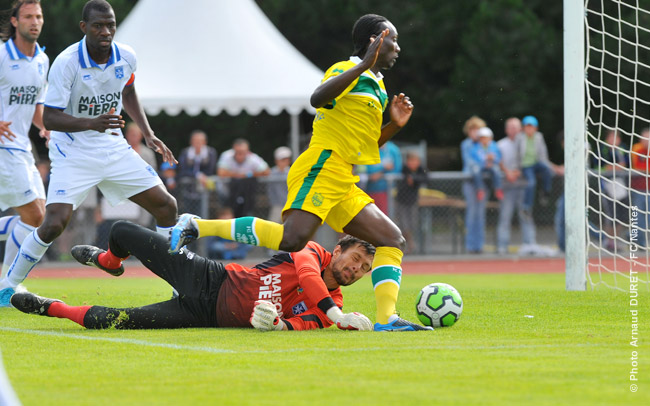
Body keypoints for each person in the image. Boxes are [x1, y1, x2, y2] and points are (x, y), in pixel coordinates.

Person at [170, 14, 427, 331]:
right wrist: (363, 64)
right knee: (292, 240)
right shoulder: (346, 69)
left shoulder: (378, 88)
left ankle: (387, 320)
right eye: (394, 40)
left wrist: (394, 126)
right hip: (321, 165)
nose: (397, 48)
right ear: (377, 39)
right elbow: (317, 98)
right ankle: (196, 225)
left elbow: (366, 144)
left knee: (392, 239)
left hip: (343, 176)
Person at [0, 0, 178, 306]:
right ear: (84, 28)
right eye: (98, 26)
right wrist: (90, 123)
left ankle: (180, 288)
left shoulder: (127, 56)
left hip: (113, 146)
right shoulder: (66, 61)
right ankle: (8, 286)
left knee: (167, 207)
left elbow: (128, 89)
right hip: (73, 151)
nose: (105, 31)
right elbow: (52, 117)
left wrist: (148, 134)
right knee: (52, 221)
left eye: (110, 25)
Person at [10, 220, 382, 332]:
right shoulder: (313, 251)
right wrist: (337, 315)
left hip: (205, 316)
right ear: (338, 249)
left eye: (365, 269)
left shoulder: (334, 308)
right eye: (356, 258)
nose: (356, 269)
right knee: (124, 231)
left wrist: (276, 325)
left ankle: (50, 307)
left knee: (111, 321)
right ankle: (108, 261)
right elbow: (307, 276)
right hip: (210, 278)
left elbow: (302, 325)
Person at [0, 0, 49, 283]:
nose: (35, 21)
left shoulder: (42, 60)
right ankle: (8, 286)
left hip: (22, 147)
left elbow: (35, 108)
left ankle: (7, 286)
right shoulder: (3, 56)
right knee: (35, 215)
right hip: (4, 148)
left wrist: (50, 128)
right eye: (28, 16)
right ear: (15, 21)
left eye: (39, 16)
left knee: (38, 218)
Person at [496, 117, 536, 254]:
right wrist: (508, 172)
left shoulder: (527, 142)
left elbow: (532, 160)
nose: (514, 130)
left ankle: (530, 245)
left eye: (516, 127)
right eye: (511, 127)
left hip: (523, 185)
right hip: (507, 185)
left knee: (526, 215)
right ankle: (502, 246)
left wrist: (519, 171)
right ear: (506, 130)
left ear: (521, 129)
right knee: (505, 216)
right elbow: (497, 161)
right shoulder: (500, 145)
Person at [592, 129, 629, 251]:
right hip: (607, 185)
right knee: (611, 215)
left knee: (623, 215)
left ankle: (614, 239)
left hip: (621, 185)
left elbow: (626, 165)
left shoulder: (622, 149)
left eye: (616, 138)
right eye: (611, 138)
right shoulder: (602, 149)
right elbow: (600, 167)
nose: (613, 141)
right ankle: (608, 241)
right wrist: (614, 167)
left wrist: (616, 166)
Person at [217, 138, 270, 217]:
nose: (240, 155)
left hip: (246, 194)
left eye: (242, 152)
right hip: (227, 193)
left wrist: (248, 175)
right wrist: (239, 175)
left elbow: (266, 171)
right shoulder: (226, 155)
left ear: (247, 151)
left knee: (246, 214)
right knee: (227, 216)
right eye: (237, 152)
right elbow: (220, 172)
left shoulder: (253, 158)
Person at [516, 115, 555, 212]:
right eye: (527, 127)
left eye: (531, 127)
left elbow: (543, 154)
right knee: (531, 183)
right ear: (523, 128)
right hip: (526, 166)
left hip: (536, 163)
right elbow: (516, 154)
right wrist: (516, 168)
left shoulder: (538, 137)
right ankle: (527, 206)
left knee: (546, 169)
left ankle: (546, 192)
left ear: (535, 128)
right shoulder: (520, 138)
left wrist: (550, 165)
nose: (529, 129)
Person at [460, 115, 487, 253]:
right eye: (473, 130)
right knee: (471, 213)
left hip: (481, 182)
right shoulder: (466, 144)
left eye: (478, 130)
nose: (475, 133)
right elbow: (471, 163)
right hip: (470, 183)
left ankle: (479, 245)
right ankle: (470, 246)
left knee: (480, 214)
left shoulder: (485, 143)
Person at [177, 129, 217, 214]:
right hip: (187, 189)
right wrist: (198, 175)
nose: (198, 143)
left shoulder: (210, 153)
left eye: (200, 141)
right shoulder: (185, 153)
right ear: (191, 142)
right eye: (195, 141)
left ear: (205, 142)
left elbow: (211, 170)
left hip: (204, 188)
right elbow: (182, 170)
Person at [395, 151, 427, 254]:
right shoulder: (404, 169)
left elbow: (426, 178)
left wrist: (414, 179)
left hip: (412, 201)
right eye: (412, 161)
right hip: (402, 201)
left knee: (412, 223)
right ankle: (409, 244)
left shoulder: (420, 170)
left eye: (416, 161)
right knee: (404, 224)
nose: (414, 163)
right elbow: (406, 177)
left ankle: (409, 244)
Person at [361, 140, 402, 214]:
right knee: (372, 214)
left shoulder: (393, 149)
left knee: (386, 214)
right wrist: (383, 169)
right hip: (371, 190)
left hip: (388, 190)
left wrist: (380, 173)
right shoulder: (368, 148)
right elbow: (367, 170)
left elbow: (397, 169)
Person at [470, 127, 503, 201]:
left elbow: (499, 158)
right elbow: (474, 159)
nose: (484, 140)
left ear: (490, 138)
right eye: (482, 138)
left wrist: (493, 160)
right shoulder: (475, 147)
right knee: (475, 170)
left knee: (496, 169)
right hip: (481, 166)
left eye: (486, 138)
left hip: (491, 165)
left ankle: (498, 189)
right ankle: (480, 189)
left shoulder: (494, 146)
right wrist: (485, 160)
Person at [630, 127, 650, 247]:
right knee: (637, 216)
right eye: (645, 138)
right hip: (638, 189)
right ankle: (639, 242)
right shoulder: (637, 148)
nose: (647, 140)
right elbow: (638, 166)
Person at [267, 146, 292, 224]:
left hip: (289, 204)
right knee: (273, 225)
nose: (285, 162)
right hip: (277, 205)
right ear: (276, 161)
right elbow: (270, 190)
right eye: (282, 160)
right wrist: (273, 202)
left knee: (290, 225)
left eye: (287, 159)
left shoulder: (291, 172)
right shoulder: (272, 173)